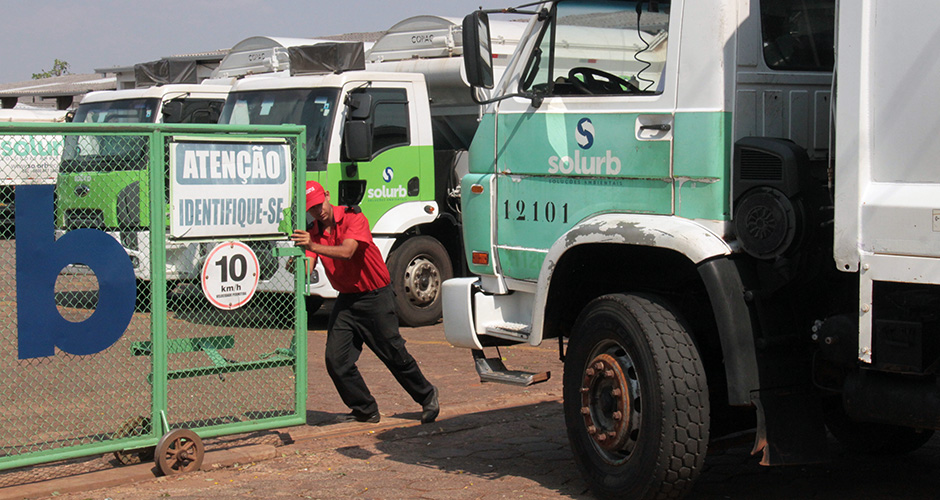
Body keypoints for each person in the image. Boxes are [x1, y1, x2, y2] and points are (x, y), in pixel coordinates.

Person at [291, 181, 439, 424]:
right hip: (347, 300)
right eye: (312, 208)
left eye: (319, 204)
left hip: (376, 296)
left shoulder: (353, 218)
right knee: (336, 360)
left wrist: (312, 245)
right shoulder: (313, 232)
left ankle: (427, 394)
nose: (318, 211)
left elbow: (348, 251)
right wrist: (297, 262)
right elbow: (308, 265)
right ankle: (365, 409)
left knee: (393, 354)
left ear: (327, 196)